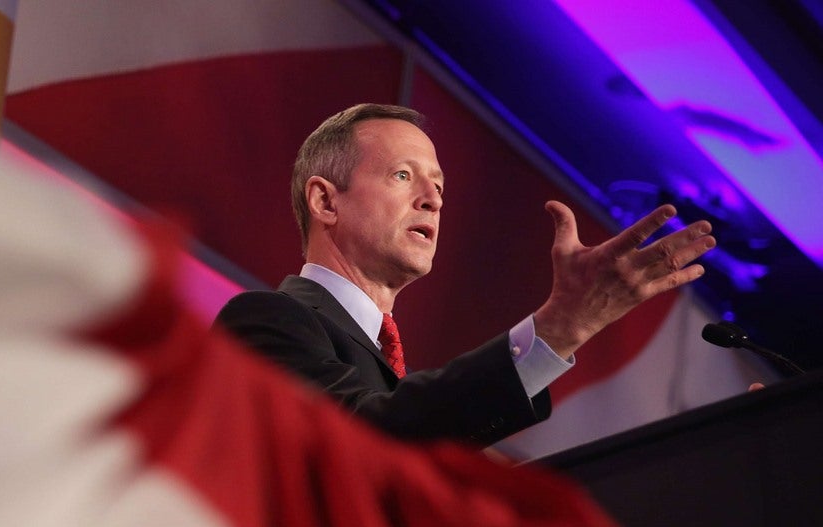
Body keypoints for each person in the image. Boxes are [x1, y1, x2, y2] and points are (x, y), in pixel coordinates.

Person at [214, 103, 717, 446]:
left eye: (438, 185)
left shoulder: (392, 371)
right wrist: (560, 329)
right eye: (403, 175)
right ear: (326, 200)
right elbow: (367, 441)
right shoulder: (264, 323)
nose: (432, 199)